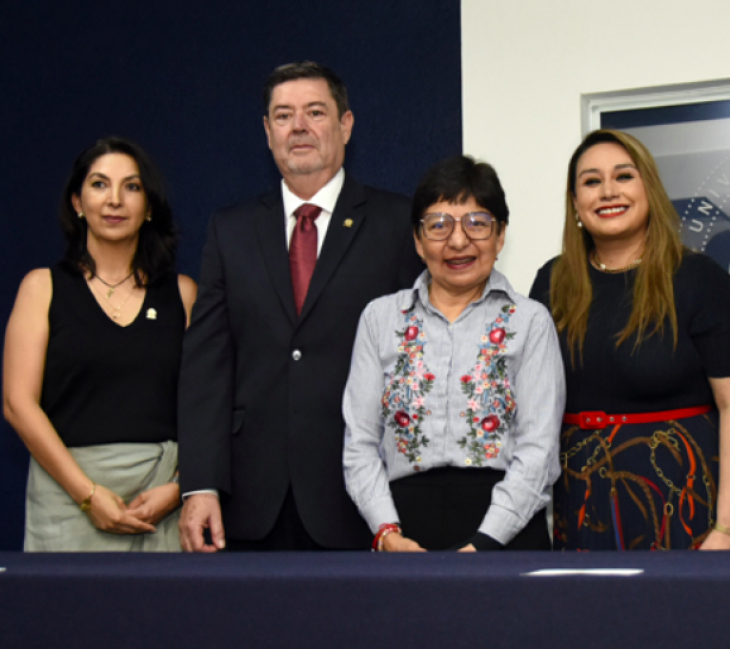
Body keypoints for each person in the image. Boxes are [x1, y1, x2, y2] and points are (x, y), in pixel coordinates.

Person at [177, 61, 423, 552]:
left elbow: (418, 360)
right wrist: (199, 484)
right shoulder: (231, 229)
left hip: (361, 499)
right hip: (248, 501)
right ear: (268, 132)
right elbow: (206, 364)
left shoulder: (398, 222)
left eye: (315, 112)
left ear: (346, 125)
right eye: (284, 116)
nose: (300, 127)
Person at [530, 129, 730, 551]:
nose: (608, 191)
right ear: (575, 203)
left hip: (680, 499)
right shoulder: (552, 282)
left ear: (649, 187)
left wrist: (729, 526)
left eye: (624, 176)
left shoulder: (699, 278)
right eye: (591, 182)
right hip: (580, 503)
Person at [343, 155, 564, 551]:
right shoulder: (379, 318)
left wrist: (485, 542)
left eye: (477, 223)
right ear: (417, 238)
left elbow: (540, 449)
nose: (458, 241)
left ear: (500, 236)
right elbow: (359, 442)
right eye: (439, 225)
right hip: (403, 535)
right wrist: (387, 532)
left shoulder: (530, 321)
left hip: (507, 536)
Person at [3, 137, 196, 551]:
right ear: (77, 202)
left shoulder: (182, 294)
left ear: (148, 206)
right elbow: (17, 403)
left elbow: (208, 404)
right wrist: (88, 495)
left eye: (131, 186)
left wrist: (181, 487)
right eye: (98, 184)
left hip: (160, 501)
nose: (114, 200)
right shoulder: (41, 288)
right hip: (67, 498)